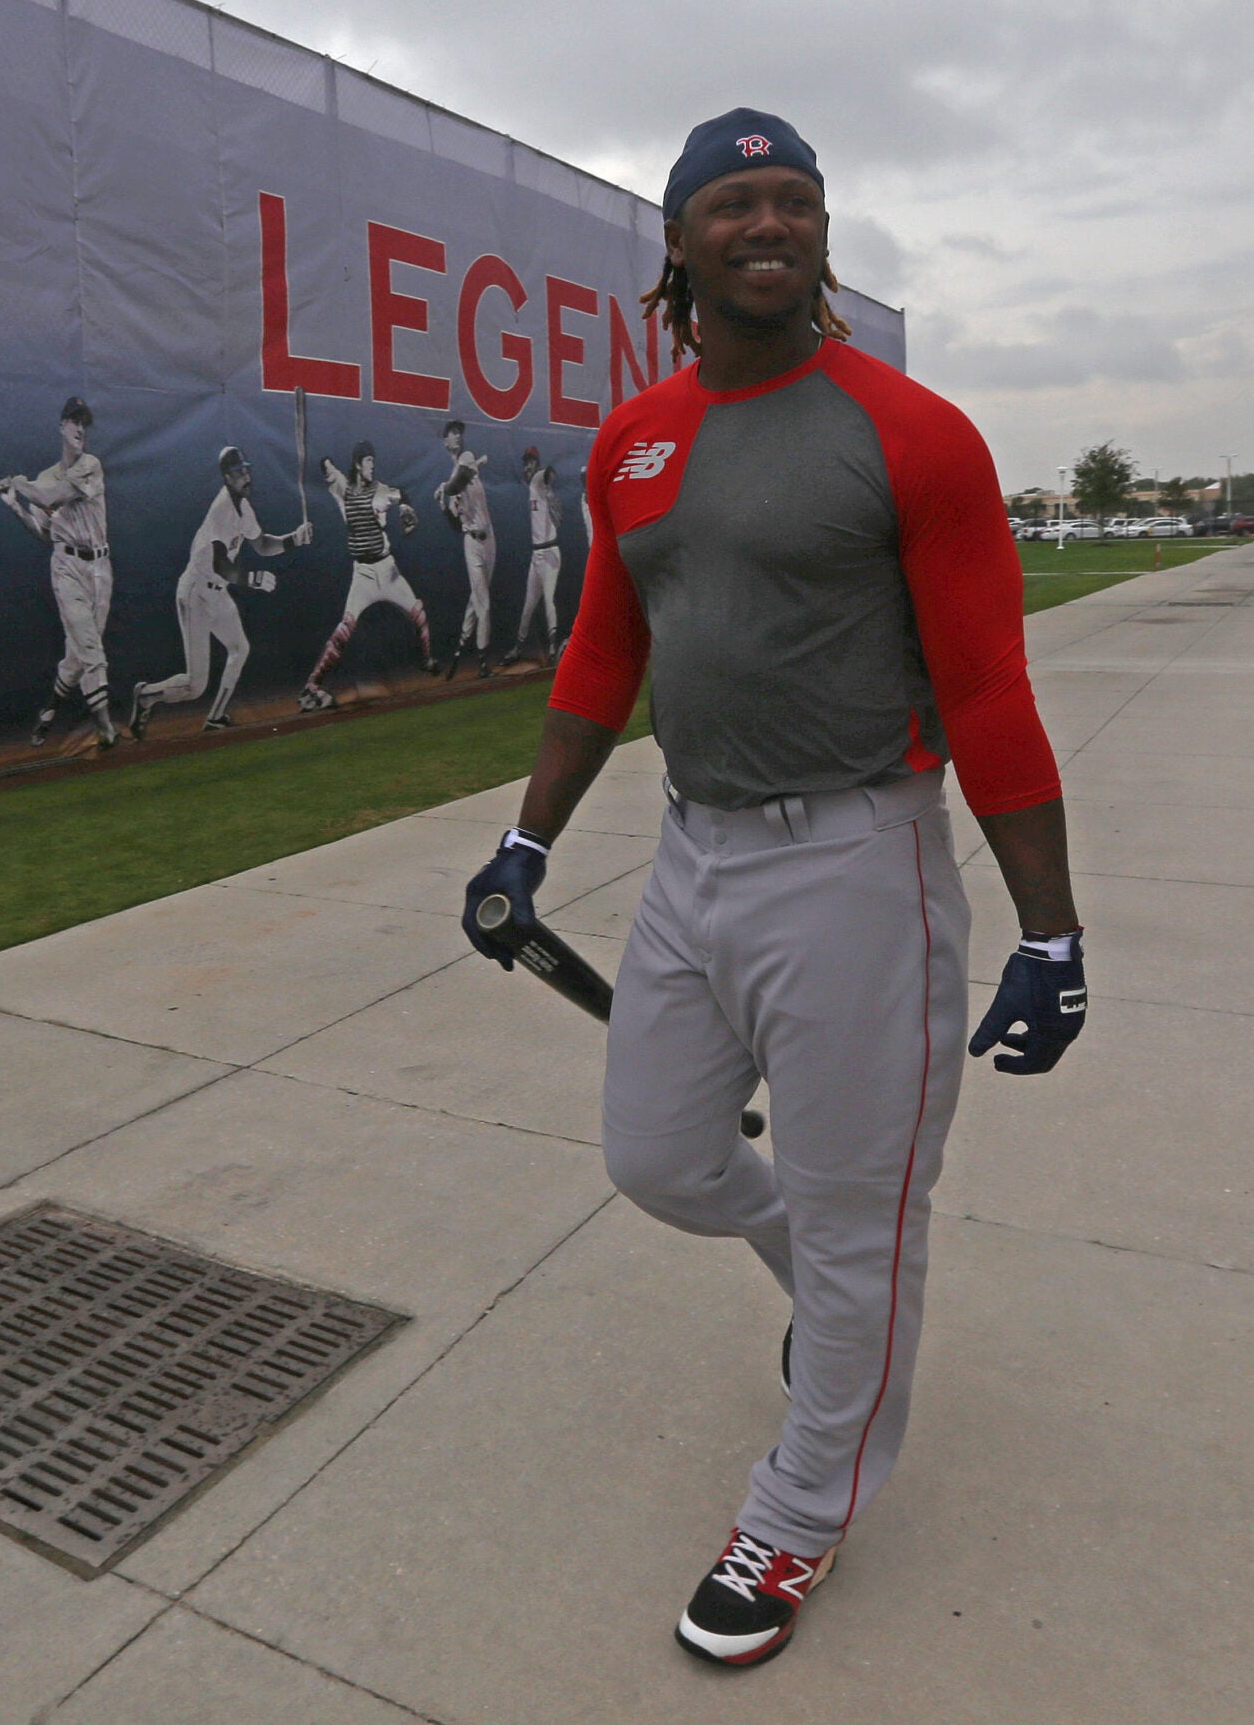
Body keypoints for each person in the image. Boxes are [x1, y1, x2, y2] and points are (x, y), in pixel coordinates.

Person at [460, 109, 1088, 1670]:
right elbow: (610, 652)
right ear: (676, 241)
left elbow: (991, 689)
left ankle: (801, 1511)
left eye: (794, 200)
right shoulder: (637, 438)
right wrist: (528, 842)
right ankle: (825, 1298)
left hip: (857, 860)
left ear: (821, 232)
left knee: (866, 1212)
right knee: (659, 1157)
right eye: (733, 202)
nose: (768, 223)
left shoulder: (910, 432)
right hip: (696, 850)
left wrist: (1053, 930)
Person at [129, 446, 309, 736]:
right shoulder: (221, 510)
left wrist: (293, 540)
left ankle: (215, 717)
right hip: (196, 593)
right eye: (239, 472)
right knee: (194, 686)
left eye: (247, 469)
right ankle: (146, 695)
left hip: (218, 592)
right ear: (227, 477)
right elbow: (222, 564)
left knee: (240, 649)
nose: (246, 476)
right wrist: (253, 580)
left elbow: (261, 544)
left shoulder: (243, 507)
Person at [0, 395, 119, 749]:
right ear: (61, 426)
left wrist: (18, 484)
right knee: (91, 648)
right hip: (67, 568)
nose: (80, 429)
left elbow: (52, 495)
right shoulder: (45, 477)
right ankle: (107, 729)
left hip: (101, 568)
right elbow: (44, 532)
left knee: (77, 656)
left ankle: (49, 708)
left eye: (84, 423)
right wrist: (15, 506)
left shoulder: (91, 465)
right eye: (74, 421)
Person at [299, 440, 434, 710]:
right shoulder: (344, 489)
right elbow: (326, 467)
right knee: (344, 629)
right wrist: (319, 461)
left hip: (388, 569)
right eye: (369, 461)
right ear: (358, 464)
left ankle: (427, 660)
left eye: (373, 460)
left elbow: (402, 495)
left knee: (419, 613)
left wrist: (407, 510)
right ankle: (312, 685)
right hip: (363, 574)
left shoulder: (381, 490)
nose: (373, 465)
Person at [438, 419, 497, 680]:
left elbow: (459, 480)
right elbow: (453, 525)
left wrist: (444, 491)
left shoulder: (467, 458)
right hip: (471, 543)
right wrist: (445, 507)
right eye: (452, 433)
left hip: (490, 539)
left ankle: (461, 647)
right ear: (445, 442)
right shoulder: (457, 474)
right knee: (483, 602)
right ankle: (483, 662)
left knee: (477, 599)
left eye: (459, 432)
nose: (457, 436)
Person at [514, 446, 564, 664]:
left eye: (531, 461)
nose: (528, 465)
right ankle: (518, 647)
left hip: (550, 551)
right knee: (528, 605)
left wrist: (547, 475)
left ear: (536, 462)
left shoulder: (536, 478)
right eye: (526, 461)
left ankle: (552, 649)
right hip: (537, 555)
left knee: (548, 601)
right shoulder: (534, 486)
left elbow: (548, 473)